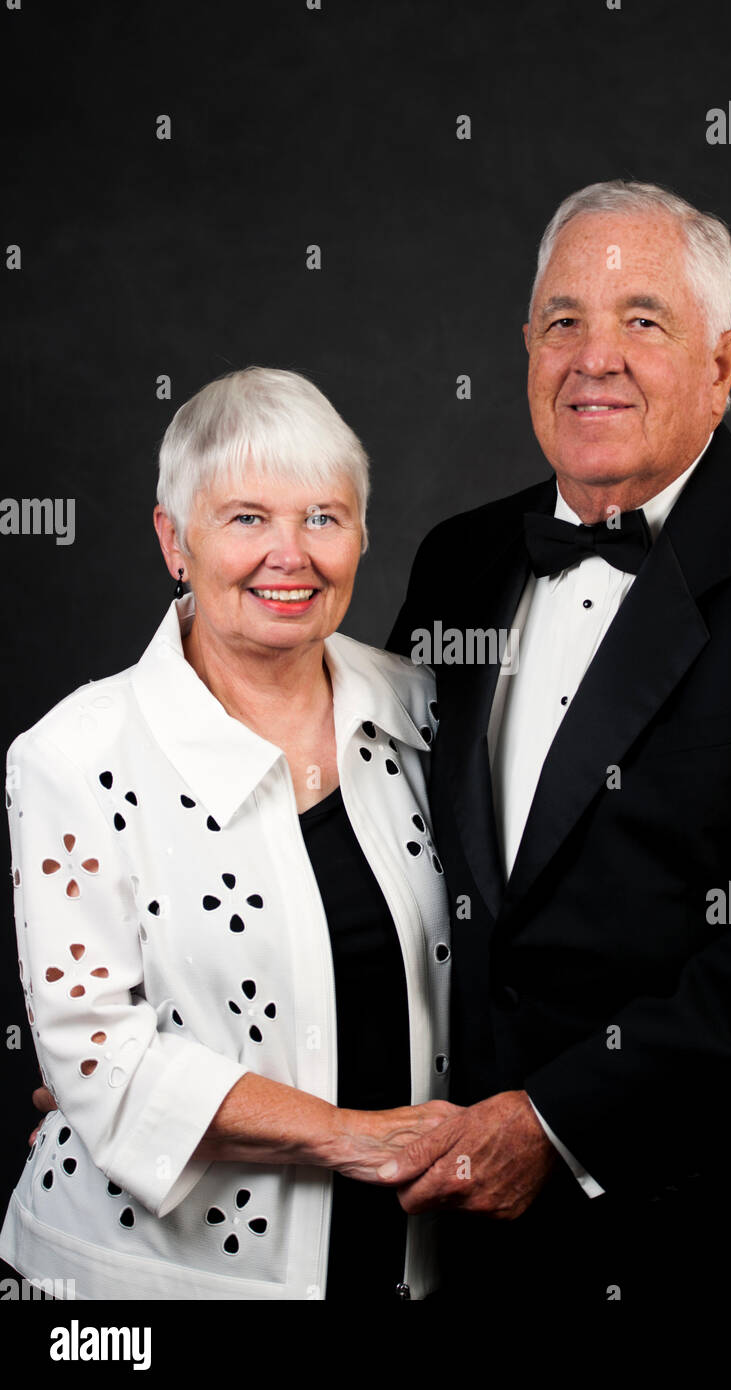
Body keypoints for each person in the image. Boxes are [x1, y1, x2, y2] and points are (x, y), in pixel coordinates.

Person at [384, 180, 731, 1308]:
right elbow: (375, 846)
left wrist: (555, 1120)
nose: (596, 357)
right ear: (525, 350)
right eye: (563, 321)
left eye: (643, 319)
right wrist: (171, 1063)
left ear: (723, 367)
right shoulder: (462, 556)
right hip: (479, 1241)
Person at [1, 366, 458, 1301]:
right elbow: (98, 1057)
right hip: (153, 1282)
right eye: (247, 517)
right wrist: (368, 1140)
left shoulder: (426, 713)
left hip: (408, 1264)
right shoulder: (73, 754)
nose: (289, 555)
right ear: (175, 538)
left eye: (323, 517)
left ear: (362, 535)